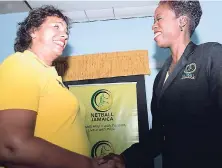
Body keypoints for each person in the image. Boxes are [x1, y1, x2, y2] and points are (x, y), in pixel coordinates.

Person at [98, 1, 222, 168]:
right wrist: (125, 158)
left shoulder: (210, 55)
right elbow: (159, 135)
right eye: (153, 21)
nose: (153, 26)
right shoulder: (161, 78)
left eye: (159, 19)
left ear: (182, 22)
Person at [0, 5, 113, 168]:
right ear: (33, 31)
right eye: (56, 26)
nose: (64, 34)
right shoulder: (21, 63)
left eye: (66, 31)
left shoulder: (51, 76)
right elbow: (10, 146)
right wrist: (88, 164)